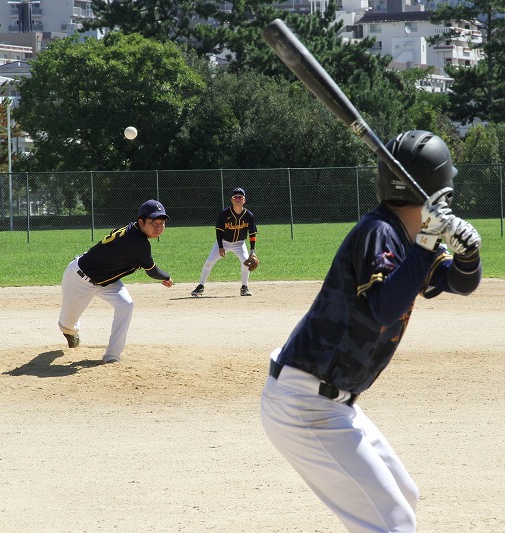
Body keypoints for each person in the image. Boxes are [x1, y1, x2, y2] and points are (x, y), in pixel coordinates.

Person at [260, 130, 482, 532]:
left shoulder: (410, 237)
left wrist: (469, 255)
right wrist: (427, 242)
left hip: (330, 401)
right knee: (393, 523)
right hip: (305, 404)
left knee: (404, 497)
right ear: (440, 191)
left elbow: (459, 282)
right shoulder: (379, 232)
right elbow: (383, 307)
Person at [58, 199, 174, 363]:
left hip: (107, 281)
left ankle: (112, 355)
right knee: (67, 326)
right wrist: (166, 277)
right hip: (80, 278)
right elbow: (153, 272)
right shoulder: (137, 243)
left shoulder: (132, 230)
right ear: (141, 222)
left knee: (126, 305)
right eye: (153, 222)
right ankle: (70, 332)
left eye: (162, 223)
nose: (158, 227)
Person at [191, 187, 258, 297]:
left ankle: (244, 287)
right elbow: (219, 231)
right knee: (209, 262)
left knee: (246, 262)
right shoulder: (224, 214)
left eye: (240, 197)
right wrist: (221, 247)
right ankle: (200, 286)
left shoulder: (249, 216)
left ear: (244, 200)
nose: (238, 199)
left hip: (239, 243)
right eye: (235, 197)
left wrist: (252, 251)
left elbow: (252, 234)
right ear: (231, 200)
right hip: (223, 242)